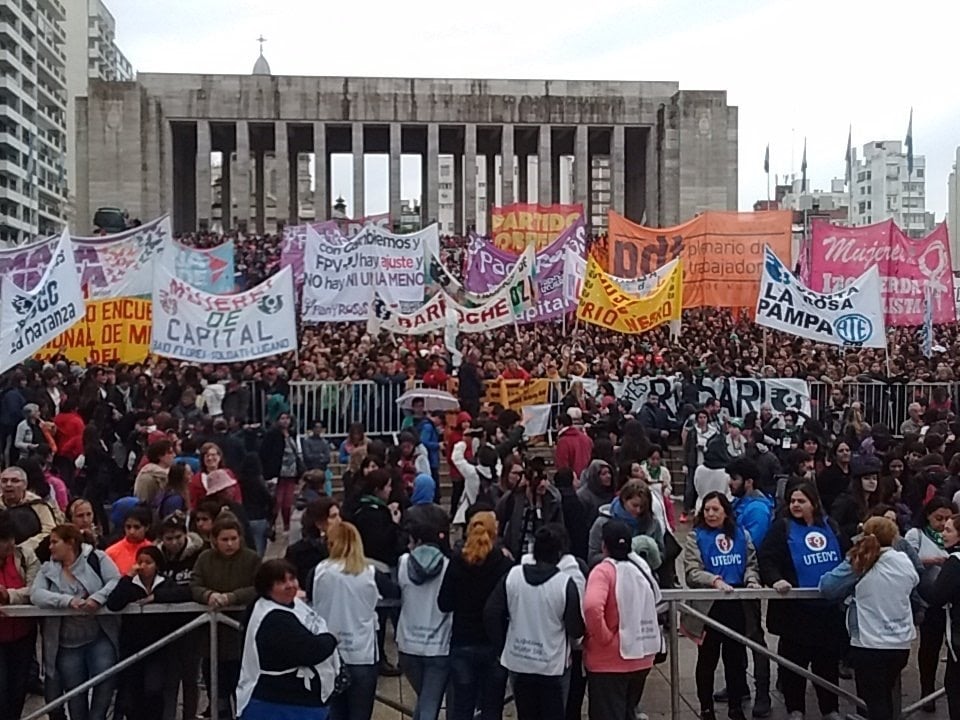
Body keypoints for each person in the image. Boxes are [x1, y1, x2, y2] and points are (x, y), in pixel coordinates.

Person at [758, 482, 847, 720]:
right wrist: (775, 580)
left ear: (813, 503)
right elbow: (766, 558)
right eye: (793, 501)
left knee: (827, 664)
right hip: (795, 612)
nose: (796, 505)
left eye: (801, 501)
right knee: (793, 665)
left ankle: (830, 709)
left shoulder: (831, 525)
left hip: (828, 612)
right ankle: (794, 708)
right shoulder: (781, 528)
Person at [818, 516, 918, 720]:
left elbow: (828, 587)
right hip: (900, 642)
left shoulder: (862, 561)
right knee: (885, 698)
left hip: (869, 643)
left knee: (874, 702)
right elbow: (915, 580)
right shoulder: (903, 560)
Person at [483, 523, 585, 720]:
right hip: (553, 664)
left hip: (519, 660)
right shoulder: (565, 584)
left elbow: (490, 613)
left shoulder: (512, 576)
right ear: (559, 553)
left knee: (526, 713)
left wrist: (502, 645)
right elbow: (575, 628)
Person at [683, 491, 761, 720]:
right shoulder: (695, 536)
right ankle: (706, 707)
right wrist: (714, 580)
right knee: (707, 659)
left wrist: (752, 580)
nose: (710, 514)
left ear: (726, 512)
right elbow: (692, 572)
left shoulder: (741, 535)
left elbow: (751, 563)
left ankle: (736, 706)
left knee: (735, 659)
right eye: (707, 509)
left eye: (715, 509)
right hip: (709, 606)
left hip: (736, 605)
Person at [31, 523, 121, 720]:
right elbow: (36, 594)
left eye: (55, 542)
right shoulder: (48, 569)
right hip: (66, 643)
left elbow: (115, 580)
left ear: (70, 543)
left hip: (98, 636)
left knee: (105, 679)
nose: (50, 547)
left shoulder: (98, 558)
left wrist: (97, 598)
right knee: (75, 691)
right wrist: (67, 601)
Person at [236, 559, 340, 720]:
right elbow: (310, 651)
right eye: (281, 582)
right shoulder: (274, 618)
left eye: (292, 579)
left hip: (299, 701)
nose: (290, 585)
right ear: (267, 587)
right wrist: (331, 638)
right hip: (281, 703)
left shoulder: (292, 603)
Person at [583, 520, 663, 720]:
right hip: (642, 657)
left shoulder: (603, 571)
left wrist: (604, 637)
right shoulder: (641, 568)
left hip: (609, 661)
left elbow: (592, 606)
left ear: (604, 546)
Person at [437, 507, 512, 720]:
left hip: (463, 641)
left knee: (461, 707)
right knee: (492, 708)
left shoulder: (457, 562)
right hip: (494, 643)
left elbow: (444, 603)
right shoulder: (504, 564)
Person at [191, 514, 261, 718]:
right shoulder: (205, 559)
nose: (230, 544)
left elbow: (258, 586)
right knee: (217, 694)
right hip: (212, 639)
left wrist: (233, 597)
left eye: (233, 538)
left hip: (242, 635)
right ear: (214, 540)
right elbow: (195, 584)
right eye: (224, 539)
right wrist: (208, 595)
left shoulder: (252, 559)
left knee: (243, 690)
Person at [312, 522, 381, 720]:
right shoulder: (370, 572)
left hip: (329, 653)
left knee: (333, 713)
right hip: (362, 653)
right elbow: (393, 592)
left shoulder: (319, 571)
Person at [106, 545, 183, 720]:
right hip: (132, 646)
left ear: (157, 565)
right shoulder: (130, 585)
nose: (143, 566)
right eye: (140, 562)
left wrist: (157, 597)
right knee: (132, 691)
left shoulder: (165, 583)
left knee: (154, 688)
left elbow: (184, 593)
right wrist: (128, 577)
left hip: (158, 647)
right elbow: (113, 603)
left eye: (148, 562)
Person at [725, 457, 774, 717]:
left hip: (746, 577)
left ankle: (762, 691)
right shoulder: (739, 504)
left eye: (734, 479)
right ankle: (739, 685)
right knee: (734, 634)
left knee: (754, 635)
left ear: (749, 481)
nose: (730, 483)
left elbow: (749, 545)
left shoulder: (757, 509)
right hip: (729, 577)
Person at [397, 507, 451, 720]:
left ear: (417, 541)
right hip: (439, 645)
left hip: (408, 643)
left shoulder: (403, 563)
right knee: (430, 703)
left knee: (425, 701)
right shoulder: (448, 566)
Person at [905, 496, 953, 710]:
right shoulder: (916, 535)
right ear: (928, 516)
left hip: (952, 603)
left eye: (947, 519)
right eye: (938, 518)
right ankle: (927, 689)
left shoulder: (954, 537)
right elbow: (906, 559)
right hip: (928, 600)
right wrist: (932, 561)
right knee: (929, 647)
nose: (942, 524)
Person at [156, 511, 204, 720]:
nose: (174, 542)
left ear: (185, 535)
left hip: (194, 626)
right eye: (169, 538)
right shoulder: (157, 557)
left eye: (178, 537)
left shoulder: (199, 555)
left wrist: (163, 594)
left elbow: (196, 588)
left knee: (191, 678)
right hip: (163, 626)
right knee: (169, 679)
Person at [0, 511, 40, 720]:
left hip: (23, 637)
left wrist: (9, 595)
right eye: (3, 540)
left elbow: (36, 589)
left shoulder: (25, 556)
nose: (9, 544)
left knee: (18, 691)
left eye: (11, 538)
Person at [926, 513, 960, 720]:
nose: (943, 534)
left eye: (948, 530)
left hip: (958, 637)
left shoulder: (955, 562)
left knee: (955, 686)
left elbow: (937, 595)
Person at [588, 479, 664, 570]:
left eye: (643, 507)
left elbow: (662, 553)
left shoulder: (653, 523)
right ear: (624, 499)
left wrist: (651, 553)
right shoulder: (602, 523)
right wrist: (616, 554)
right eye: (634, 505)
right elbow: (592, 559)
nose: (638, 510)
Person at [286, 497, 342, 595]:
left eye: (339, 515)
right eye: (333, 516)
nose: (339, 520)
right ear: (319, 523)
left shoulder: (346, 545)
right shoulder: (298, 551)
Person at [0, 464, 59, 555]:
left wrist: (24, 547)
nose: (8, 484)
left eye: (15, 481)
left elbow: (49, 530)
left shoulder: (38, 504)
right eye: (4, 481)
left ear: (25, 485)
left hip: (32, 554)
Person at [260, 411, 303, 533]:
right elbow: (265, 452)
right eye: (282, 418)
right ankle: (271, 524)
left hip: (291, 471)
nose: (285, 421)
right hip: (276, 472)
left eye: (287, 418)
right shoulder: (272, 434)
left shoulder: (292, 434)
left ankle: (287, 526)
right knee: (276, 501)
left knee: (288, 502)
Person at [104, 503, 154, 575]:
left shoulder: (153, 550)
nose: (132, 532)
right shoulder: (111, 552)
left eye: (137, 527)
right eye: (128, 527)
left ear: (147, 527)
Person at [133, 438, 175, 505]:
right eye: (170, 453)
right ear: (160, 456)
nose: (174, 455)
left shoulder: (173, 473)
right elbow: (143, 502)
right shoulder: (147, 477)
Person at [577, 459, 615, 527]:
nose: (608, 476)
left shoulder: (611, 492)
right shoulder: (583, 496)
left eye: (609, 473)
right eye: (604, 474)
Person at [555, 411, 593, 478]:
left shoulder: (563, 441)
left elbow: (562, 464)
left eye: (556, 424)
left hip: (571, 479)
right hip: (587, 476)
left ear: (561, 425)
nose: (556, 427)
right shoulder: (587, 439)